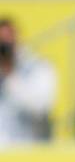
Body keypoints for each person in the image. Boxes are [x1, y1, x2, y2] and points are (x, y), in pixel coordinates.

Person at [0, 18, 56, 147]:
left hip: (27, 149)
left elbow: (40, 108)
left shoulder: (38, 68)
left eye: (7, 42)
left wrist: (10, 75)